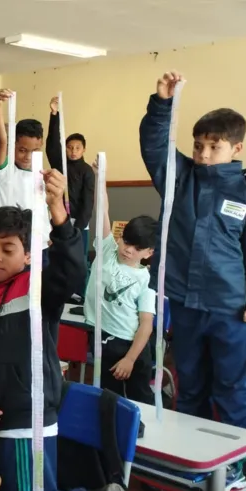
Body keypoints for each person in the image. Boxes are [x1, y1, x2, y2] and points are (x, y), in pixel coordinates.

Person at [0, 170, 125, 491]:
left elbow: (72, 270)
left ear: (29, 254)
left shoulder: (36, 288)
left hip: (26, 422)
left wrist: (59, 215)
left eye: (8, 248)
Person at [140, 72, 246, 436]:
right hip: (185, 303)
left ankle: (235, 469)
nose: (202, 154)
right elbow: (154, 145)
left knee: (232, 389)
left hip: (230, 309)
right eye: (198, 145)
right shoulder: (180, 177)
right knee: (190, 387)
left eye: (213, 147)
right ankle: (191, 462)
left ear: (236, 149)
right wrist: (162, 105)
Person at [83, 162, 158, 404]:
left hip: (131, 347)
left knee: (139, 402)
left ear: (148, 253)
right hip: (102, 339)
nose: (127, 250)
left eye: (137, 248)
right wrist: (100, 177)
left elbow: (146, 325)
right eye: (126, 242)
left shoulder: (145, 280)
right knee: (109, 399)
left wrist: (130, 359)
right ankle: (112, 439)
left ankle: (144, 440)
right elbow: (102, 210)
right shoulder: (107, 249)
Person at [46, 95, 96, 296]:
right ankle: (62, 291)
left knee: (79, 258)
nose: (73, 151)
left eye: (77, 148)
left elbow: (88, 201)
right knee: (58, 255)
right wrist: (54, 115)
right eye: (69, 147)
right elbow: (51, 143)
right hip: (59, 219)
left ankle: (80, 293)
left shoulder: (86, 171)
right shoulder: (60, 163)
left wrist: (76, 226)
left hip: (79, 224)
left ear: (83, 149)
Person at [0, 88, 52, 241]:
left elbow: (44, 210)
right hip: (13, 242)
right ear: (13, 145)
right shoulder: (5, 172)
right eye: (22, 150)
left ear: (41, 145)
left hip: (41, 242)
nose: (28, 157)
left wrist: (50, 234)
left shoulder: (41, 175)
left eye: (34, 150)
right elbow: (1, 140)